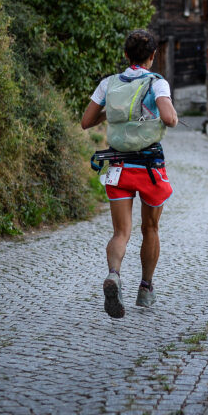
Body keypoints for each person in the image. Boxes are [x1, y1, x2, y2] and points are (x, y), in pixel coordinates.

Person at [81, 30, 178, 318]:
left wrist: (110, 112)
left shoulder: (108, 84)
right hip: (149, 167)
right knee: (150, 228)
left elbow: (87, 121)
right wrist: (165, 108)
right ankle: (145, 290)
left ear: (125, 55)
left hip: (117, 165)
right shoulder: (157, 83)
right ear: (152, 56)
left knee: (121, 231)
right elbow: (171, 119)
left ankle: (114, 274)